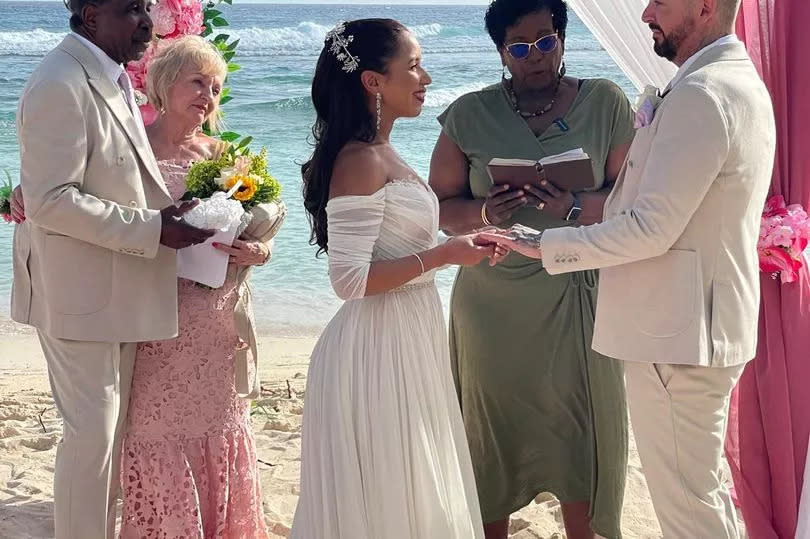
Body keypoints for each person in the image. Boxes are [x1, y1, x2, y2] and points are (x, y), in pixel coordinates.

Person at [479, 0, 776, 537]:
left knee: (688, 509)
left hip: (678, 336)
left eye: (660, 1)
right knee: (700, 495)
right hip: (697, 325)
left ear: (705, 5)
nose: (645, 14)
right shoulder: (733, 79)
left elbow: (650, 228)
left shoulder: (702, 94)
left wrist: (546, 246)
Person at [291, 19, 507, 538]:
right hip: (375, 348)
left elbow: (395, 243)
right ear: (372, 82)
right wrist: (442, 258)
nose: (425, 76)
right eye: (411, 65)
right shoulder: (361, 160)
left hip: (408, 334)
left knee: (413, 482)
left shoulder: (382, 152)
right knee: (392, 489)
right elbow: (347, 279)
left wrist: (462, 242)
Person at [428, 0, 634, 537]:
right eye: (520, 47)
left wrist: (570, 207)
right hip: (492, 302)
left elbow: (631, 202)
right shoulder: (470, 114)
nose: (536, 56)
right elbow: (439, 209)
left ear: (563, 39)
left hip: (576, 293)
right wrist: (482, 212)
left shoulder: (607, 102)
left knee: (581, 433)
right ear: (502, 52)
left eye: (546, 40)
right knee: (492, 434)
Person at [9, 1, 215, 537]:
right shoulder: (60, 82)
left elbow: (105, 175)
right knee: (92, 439)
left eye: (148, 8)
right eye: (131, 10)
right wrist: (154, 229)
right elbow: (49, 199)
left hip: (113, 290)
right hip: (77, 295)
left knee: (110, 437)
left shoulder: (109, 73)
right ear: (92, 15)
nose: (147, 21)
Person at [116, 35, 277, 538]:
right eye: (197, 81)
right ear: (164, 85)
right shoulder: (129, 150)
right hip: (153, 318)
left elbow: (262, 229)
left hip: (217, 320)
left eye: (216, 86)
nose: (208, 93)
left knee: (219, 428)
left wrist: (259, 252)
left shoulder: (228, 156)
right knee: (152, 430)